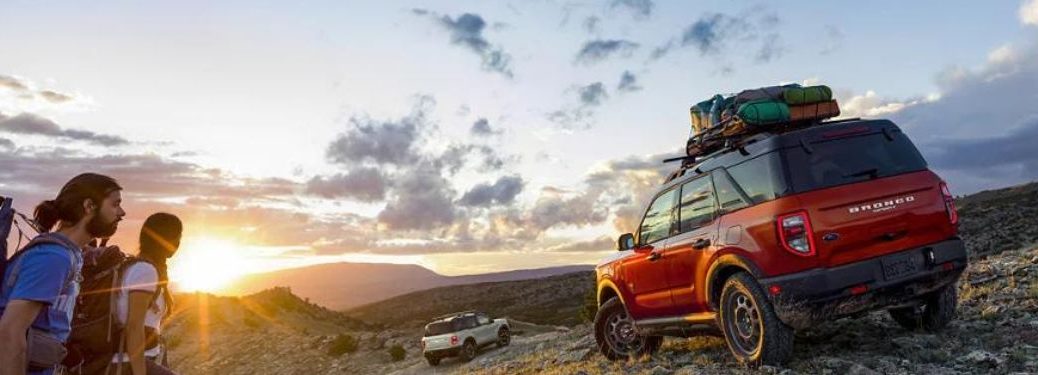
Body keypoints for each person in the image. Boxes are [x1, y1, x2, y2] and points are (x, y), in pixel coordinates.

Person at [0, 173, 125, 375]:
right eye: (115, 204)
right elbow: (10, 333)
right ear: (89, 206)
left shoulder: (69, 254)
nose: (121, 212)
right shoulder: (53, 257)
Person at [106, 213, 181, 375]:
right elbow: (134, 327)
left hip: (136, 359)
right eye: (176, 236)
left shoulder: (139, 267)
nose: (178, 243)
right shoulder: (145, 271)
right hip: (127, 363)